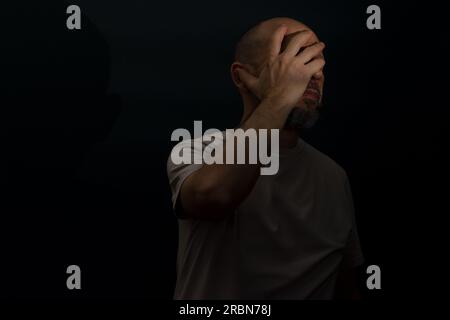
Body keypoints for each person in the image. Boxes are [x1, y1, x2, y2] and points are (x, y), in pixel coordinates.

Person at [167, 17, 364, 299]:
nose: (314, 72)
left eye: (317, 60)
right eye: (293, 55)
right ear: (241, 77)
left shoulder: (334, 176)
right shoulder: (200, 150)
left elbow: (346, 284)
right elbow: (215, 195)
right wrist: (280, 98)